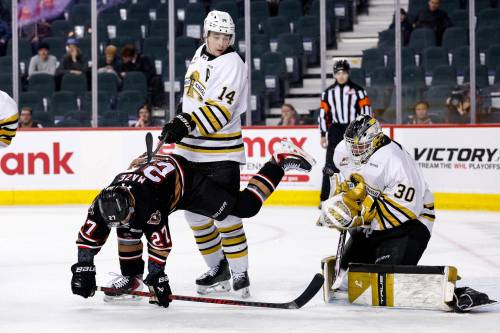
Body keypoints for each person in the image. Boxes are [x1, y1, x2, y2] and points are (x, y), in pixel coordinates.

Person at [70, 139, 316, 306]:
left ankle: (279, 161)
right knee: (128, 228)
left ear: (131, 204)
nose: (122, 221)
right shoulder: (103, 203)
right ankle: (132, 277)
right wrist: (83, 267)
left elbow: (160, 244)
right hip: (159, 181)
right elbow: (88, 237)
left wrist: (157, 277)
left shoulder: (146, 204)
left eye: (127, 214)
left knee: (245, 208)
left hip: (187, 183)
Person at [158, 10, 253, 298]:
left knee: (225, 216)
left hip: (220, 154)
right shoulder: (200, 54)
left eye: (226, 37)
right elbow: (193, 96)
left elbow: (221, 111)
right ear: (206, 34)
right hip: (190, 154)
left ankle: (240, 273)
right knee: (195, 217)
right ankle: (217, 268)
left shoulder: (233, 63)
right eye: (216, 36)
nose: (221, 41)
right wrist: (179, 116)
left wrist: (186, 123)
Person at [318, 115, 435, 291]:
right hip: (371, 224)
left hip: (409, 224)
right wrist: (340, 206)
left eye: (361, 147)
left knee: (387, 283)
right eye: (352, 146)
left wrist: (360, 216)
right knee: (349, 279)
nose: (354, 152)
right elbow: (347, 187)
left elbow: (407, 209)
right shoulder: (343, 150)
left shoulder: (395, 161)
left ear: (376, 140)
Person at [318, 59, 371, 208]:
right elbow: (324, 114)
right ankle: (325, 199)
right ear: (334, 74)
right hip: (335, 130)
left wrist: (364, 132)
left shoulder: (359, 91)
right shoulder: (328, 93)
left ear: (348, 73)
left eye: (344, 73)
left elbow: (366, 112)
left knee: (359, 164)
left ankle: (362, 196)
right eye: (338, 73)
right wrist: (323, 134)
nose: (341, 76)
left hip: (353, 129)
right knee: (330, 164)